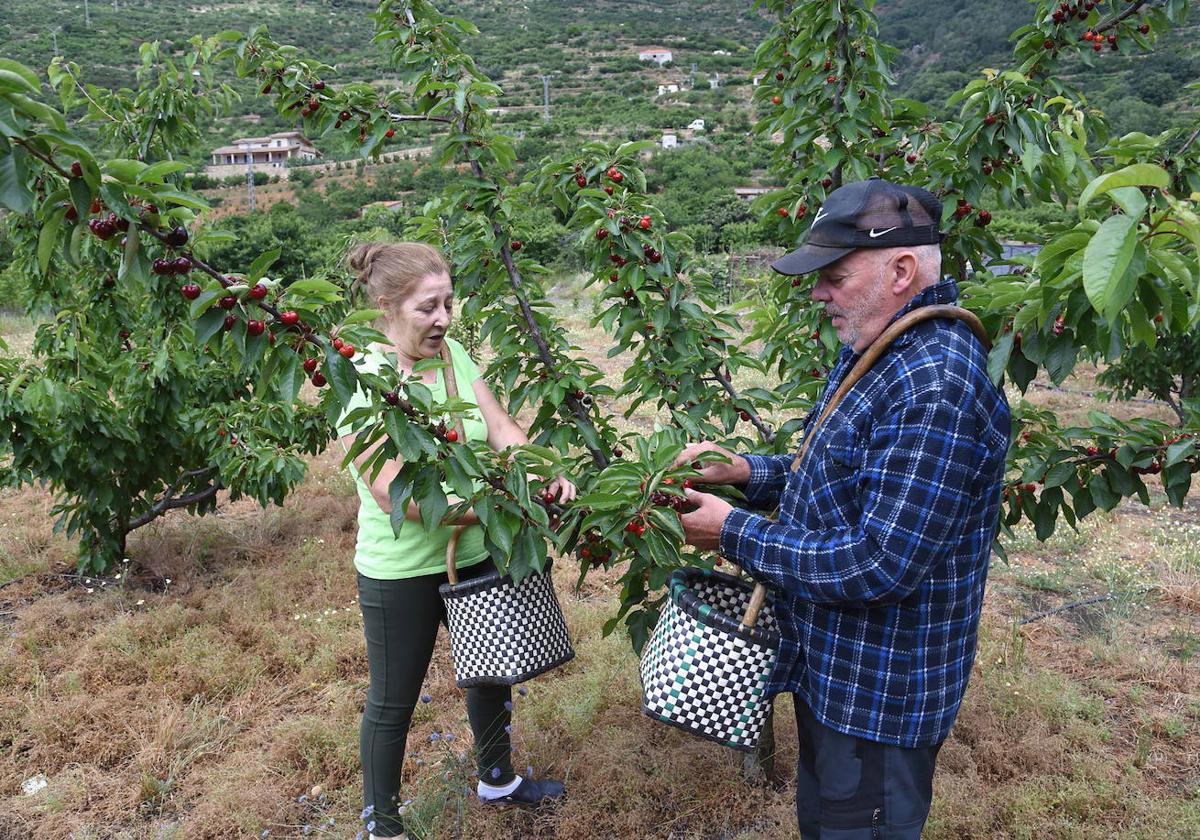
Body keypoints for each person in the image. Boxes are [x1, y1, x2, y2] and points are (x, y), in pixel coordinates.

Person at [675, 177, 1011, 839]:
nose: (818, 293)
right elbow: (830, 476)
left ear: (901, 270)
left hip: (880, 701)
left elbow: (878, 563)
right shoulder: (880, 349)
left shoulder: (934, 383)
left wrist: (732, 532)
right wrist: (743, 473)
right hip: (836, 673)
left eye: (834, 275)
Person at [340, 241, 575, 840]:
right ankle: (382, 823)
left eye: (448, 303)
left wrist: (538, 469)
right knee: (394, 699)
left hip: (473, 555)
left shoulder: (454, 359)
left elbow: (499, 426)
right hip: (402, 568)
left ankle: (496, 777)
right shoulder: (361, 380)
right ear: (387, 307)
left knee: (491, 672)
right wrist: (494, 508)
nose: (443, 318)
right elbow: (395, 495)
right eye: (427, 308)